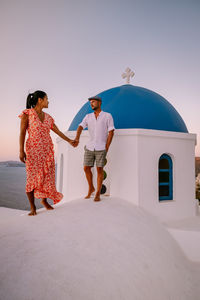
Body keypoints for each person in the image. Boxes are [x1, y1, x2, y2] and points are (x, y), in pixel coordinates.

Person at [19, 90, 73, 216]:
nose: (48, 101)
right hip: (33, 152)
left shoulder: (48, 118)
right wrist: (21, 151)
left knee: (48, 178)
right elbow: (22, 132)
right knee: (31, 178)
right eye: (46, 99)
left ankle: (44, 201)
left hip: (47, 152)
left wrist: (70, 140)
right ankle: (32, 208)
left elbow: (58, 132)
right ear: (40, 100)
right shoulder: (27, 114)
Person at [73, 96, 115, 202]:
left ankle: (97, 193)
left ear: (99, 103)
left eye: (93, 102)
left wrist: (107, 146)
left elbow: (111, 131)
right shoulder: (88, 116)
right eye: (90, 102)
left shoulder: (107, 116)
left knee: (99, 169)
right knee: (86, 168)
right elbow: (80, 126)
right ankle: (91, 187)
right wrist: (77, 138)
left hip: (101, 147)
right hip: (90, 146)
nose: (91, 104)